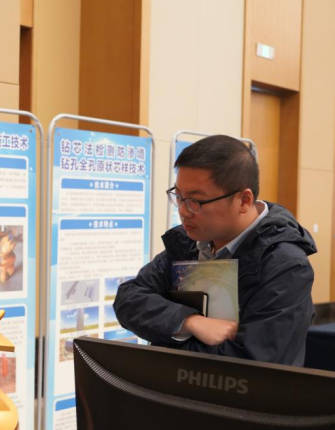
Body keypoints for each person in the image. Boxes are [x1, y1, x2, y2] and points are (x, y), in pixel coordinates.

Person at [114, 135, 316, 366]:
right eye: (179, 197)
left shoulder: (284, 265)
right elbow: (129, 298)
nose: (183, 211)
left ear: (243, 200)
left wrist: (163, 343)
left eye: (196, 201)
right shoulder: (188, 243)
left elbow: (253, 360)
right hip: (177, 386)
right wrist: (189, 322)